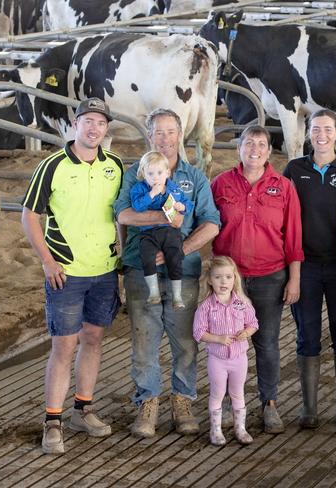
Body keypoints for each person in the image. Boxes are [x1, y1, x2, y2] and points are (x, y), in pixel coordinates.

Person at [21, 97, 124, 454]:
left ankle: (83, 409)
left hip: (104, 270)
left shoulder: (115, 166)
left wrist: (120, 249)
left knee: (93, 339)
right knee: (64, 345)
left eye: (100, 122)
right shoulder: (52, 165)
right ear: (74, 124)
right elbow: (29, 215)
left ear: (106, 128)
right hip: (65, 272)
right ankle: (52, 421)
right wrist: (48, 261)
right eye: (87, 121)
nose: (93, 128)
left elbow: (120, 214)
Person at [113, 108, 220, 438]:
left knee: (185, 342)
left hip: (183, 270)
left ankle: (183, 400)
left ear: (180, 135)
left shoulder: (195, 177)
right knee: (144, 341)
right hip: (139, 267)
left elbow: (211, 224)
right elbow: (124, 214)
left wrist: (179, 251)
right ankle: (147, 402)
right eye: (159, 132)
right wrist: (161, 220)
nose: (166, 138)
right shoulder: (135, 173)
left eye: (171, 132)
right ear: (149, 137)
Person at [211, 125, 304, 434]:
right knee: (226, 344)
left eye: (261, 144)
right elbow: (209, 227)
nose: (255, 148)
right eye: (249, 143)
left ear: (269, 150)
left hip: (269, 277)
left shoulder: (284, 186)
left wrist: (294, 279)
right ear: (239, 148)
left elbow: (293, 237)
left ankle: (269, 403)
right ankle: (226, 402)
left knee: (267, 343)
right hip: (229, 281)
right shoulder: (221, 183)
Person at [283, 109, 336, 430]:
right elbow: (284, 217)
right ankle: (309, 409)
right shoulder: (294, 169)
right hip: (306, 266)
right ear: (308, 134)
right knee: (307, 335)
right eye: (315, 129)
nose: (321, 135)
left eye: (327, 129)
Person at [193, 256, 259, 446]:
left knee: (238, 392)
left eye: (228, 277)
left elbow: (253, 323)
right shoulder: (206, 307)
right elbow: (198, 332)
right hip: (217, 359)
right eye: (218, 277)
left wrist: (246, 332)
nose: (224, 282)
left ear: (234, 279)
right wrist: (218, 339)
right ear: (209, 280)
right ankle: (216, 429)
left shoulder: (241, 303)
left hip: (239, 357)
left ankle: (240, 428)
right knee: (218, 393)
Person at [130, 150, 194, 308]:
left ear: (167, 172)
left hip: (170, 231)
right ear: (143, 173)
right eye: (150, 173)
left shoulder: (174, 189)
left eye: (159, 172)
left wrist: (182, 206)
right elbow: (137, 206)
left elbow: (189, 204)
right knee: (146, 256)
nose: (155, 177)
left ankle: (177, 296)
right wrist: (151, 194)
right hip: (148, 231)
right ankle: (153, 292)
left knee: (175, 257)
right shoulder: (139, 189)